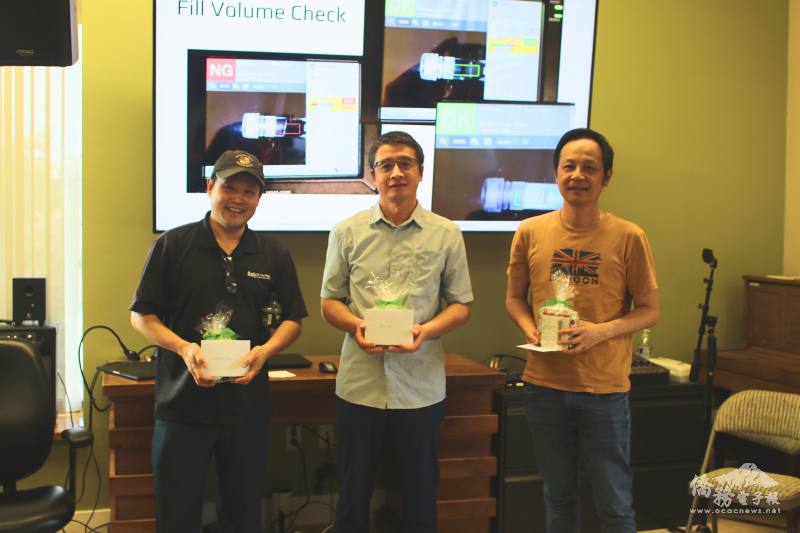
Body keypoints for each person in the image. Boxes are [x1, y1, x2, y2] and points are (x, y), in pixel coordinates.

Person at [130, 149, 307, 533]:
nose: (238, 199)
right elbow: (141, 315)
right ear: (210, 188)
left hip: (246, 411)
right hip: (182, 410)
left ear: (259, 199)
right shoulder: (173, 245)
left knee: (242, 516)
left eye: (249, 192)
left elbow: (293, 320)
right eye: (230, 187)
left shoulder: (274, 254)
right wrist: (184, 348)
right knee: (176, 516)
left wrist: (266, 352)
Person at [505, 128, 660, 533]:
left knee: (614, 503)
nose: (578, 175)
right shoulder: (529, 231)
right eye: (568, 166)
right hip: (544, 386)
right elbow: (514, 300)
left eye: (589, 167)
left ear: (606, 176)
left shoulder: (629, 236)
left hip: (604, 390)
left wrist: (600, 332)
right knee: (558, 497)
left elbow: (649, 311)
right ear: (555, 173)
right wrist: (531, 328)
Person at [320, 131, 473, 533]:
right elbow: (329, 302)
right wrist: (357, 326)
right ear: (372, 175)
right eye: (386, 165)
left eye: (406, 163)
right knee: (352, 496)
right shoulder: (346, 231)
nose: (396, 172)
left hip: (420, 388)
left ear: (420, 172)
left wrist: (426, 330)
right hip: (359, 387)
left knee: (421, 496)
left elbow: (461, 306)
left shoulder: (446, 233)